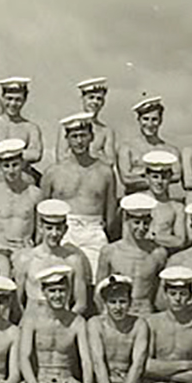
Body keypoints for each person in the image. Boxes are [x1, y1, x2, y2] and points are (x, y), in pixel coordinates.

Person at [42, 112, 118, 280]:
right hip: (62, 230)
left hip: (94, 231)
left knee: (97, 280)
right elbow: (42, 211)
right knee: (60, 280)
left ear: (91, 137)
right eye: (74, 136)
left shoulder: (105, 172)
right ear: (67, 139)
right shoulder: (53, 172)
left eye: (83, 135)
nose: (79, 141)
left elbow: (111, 213)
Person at [14, 199, 91, 313]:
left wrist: (65, 322)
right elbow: (17, 302)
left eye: (58, 228)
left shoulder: (73, 260)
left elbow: (81, 303)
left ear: (65, 229)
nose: (54, 234)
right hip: (33, 322)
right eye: (49, 228)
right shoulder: (26, 259)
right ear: (40, 228)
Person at [95, 193, 167, 314]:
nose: (141, 227)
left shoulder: (158, 254)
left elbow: (159, 295)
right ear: (126, 220)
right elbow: (98, 292)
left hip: (145, 313)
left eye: (146, 223)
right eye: (136, 222)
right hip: (116, 314)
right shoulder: (110, 251)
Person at [118, 96, 182, 192]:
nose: (150, 124)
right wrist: (161, 175)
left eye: (154, 119)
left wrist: (139, 173)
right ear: (138, 120)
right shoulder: (127, 148)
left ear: (160, 121)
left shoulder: (171, 150)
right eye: (145, 119)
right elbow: (126, 179)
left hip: (160, 202)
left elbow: (177, 176)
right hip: (135, 200)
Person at [0, 77, 43, 168]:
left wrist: (1, 153)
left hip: (22, 176)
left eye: (18, 100)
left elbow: (35, 154)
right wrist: (20, 154)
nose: (13, 104)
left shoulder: (31, 128)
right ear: (2, 98)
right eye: (9, 99)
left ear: (24, 100)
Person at [56, 78, 117, 164]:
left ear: (103, 103)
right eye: (91, 98)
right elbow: (61, 157)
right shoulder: (68, 125)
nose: (95, 102)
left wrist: (91, 155)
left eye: (99, 99)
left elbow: (111, 161)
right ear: (82, 99)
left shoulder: (106, 131)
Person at [142, 150, 187, 253]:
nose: (159, 182)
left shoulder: (177, 208)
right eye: (155, 177)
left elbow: (180, 241)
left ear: (170, 177)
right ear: (147, 177)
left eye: (164, 177)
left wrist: (153, 236)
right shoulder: (136, 202)